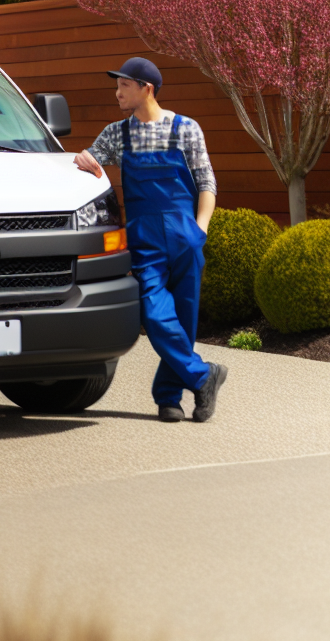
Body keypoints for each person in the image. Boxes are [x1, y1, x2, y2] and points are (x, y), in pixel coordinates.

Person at [75, 57, 228, 423]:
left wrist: (200, 231)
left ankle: (169, 399)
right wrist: (82, 158)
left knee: (184, 321)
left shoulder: (186, 129)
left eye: (123, 86)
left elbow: (206, 182)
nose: (117, 93)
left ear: (147, 88)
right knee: (157, 315)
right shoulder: (117, 134)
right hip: (144, 242)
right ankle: (205, 375)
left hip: (185, 236)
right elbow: (89, 162)